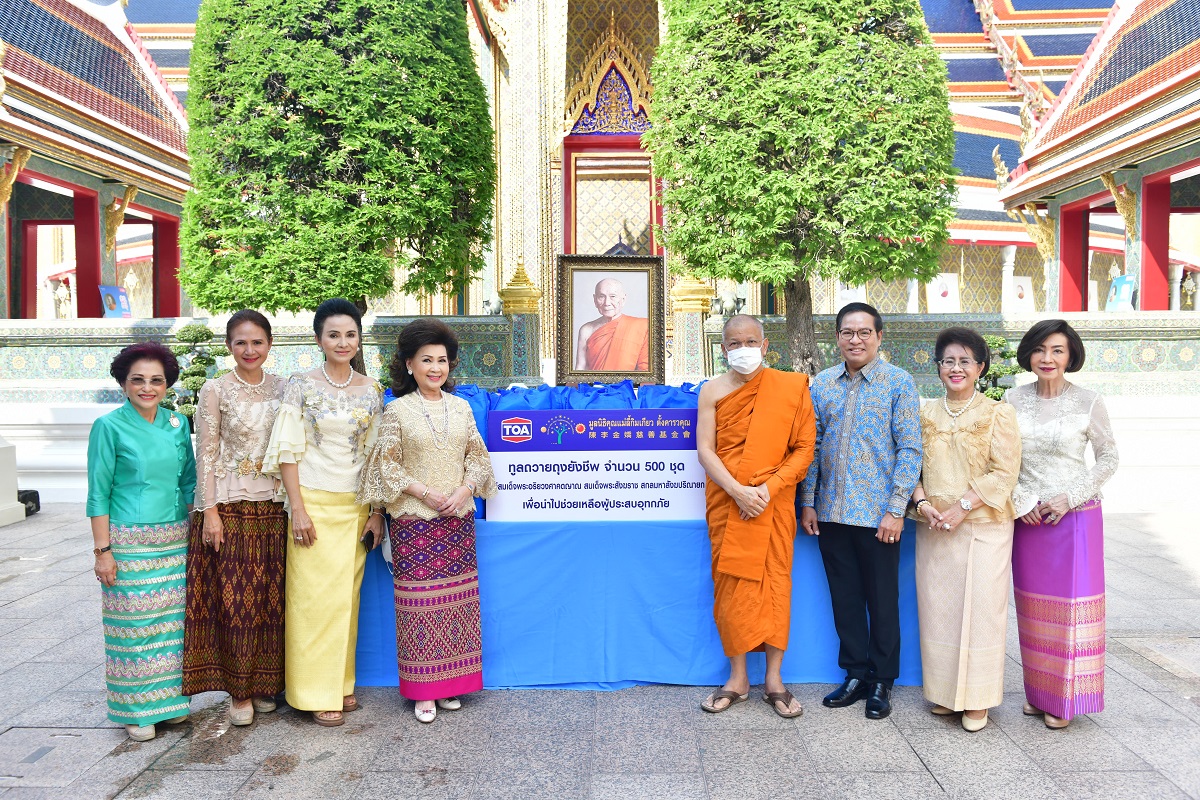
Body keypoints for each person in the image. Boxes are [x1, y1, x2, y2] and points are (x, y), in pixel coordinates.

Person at [359, 319, 497, 723]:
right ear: (409, 365)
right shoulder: (396, 410)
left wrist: (465, 489)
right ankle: (424, 691)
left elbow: (478, 456)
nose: (435, 367)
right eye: (426, 360)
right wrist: (425, 493)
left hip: (456, 518)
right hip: (414, 520)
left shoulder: (462, 407)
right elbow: (386, 466)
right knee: (419, 606)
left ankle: (451, 685)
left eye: (442, 360)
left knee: (457, 603)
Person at [262, 298, 385, 727]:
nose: (343, 341)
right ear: (319, 339)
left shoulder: (372, 390)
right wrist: (297, 508)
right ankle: (313, 691)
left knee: (345, 602)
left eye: (350, 334)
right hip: (312, 502)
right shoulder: (301, 385)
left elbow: (375, 456)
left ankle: (341, 683)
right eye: (334, 334)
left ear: (358, 339)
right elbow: (288, 451)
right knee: (312, 601)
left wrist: (376, 512)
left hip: (353, 506)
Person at [800, 302, 921, 720]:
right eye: (847, 332)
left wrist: (895, 509)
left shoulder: (898, 383)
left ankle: (883, 680)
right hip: (831, 514)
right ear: (837, 338)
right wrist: (808, 502)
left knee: (883, 600)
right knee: (845, 599)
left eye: (864, 332)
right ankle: (854, 673)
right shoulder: (822, 385)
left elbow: (910, 449)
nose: (856, 339)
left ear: (879, 336)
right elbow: (811, 447)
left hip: (878, 518)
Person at [695, 314, 815, 719]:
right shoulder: (711, 391)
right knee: (731, 586)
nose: (742, 349)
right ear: (723, 349)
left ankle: (775, 680)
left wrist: (766, 490)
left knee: (776, 584)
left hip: (772, 501)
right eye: (734, 343)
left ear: (765, 346)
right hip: (729, 502)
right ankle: (738, 677)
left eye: (751, 341)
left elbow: (803, 449)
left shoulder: (791, 387)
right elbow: (705, 451)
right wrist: (738, 492)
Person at [1005, 319, 1118, 730]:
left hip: (1076, 519)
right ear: (1028, 354)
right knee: (1034, 611)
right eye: (1039, 349)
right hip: (1029, 520)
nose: (1047, 358)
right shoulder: (1012, 399)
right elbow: (1002, 460)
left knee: (1072, 612)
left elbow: (1108, 458)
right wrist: (1021, 501)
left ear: (1071, 355)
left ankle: (1065, 700)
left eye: (1057, 350)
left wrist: (1069, 497)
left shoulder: (1089, 400)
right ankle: (1039, 694)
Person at [909, 328, 1021, 732]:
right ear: (938, 368)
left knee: (981, 610)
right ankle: (944, 693)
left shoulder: (997, 413)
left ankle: (977, 699)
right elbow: (909, 467)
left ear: (980, 368)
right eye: (948, 361)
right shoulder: (923, 413)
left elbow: (1005, 473)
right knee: (939, 609)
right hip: (933, 526)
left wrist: (961, 507)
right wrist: (922, 504)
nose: (956, 368)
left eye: (965, 361)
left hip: (982, 526)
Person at [87, 342, 196, 742]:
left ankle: (168, 704)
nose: (147, 388)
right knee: (133, 626)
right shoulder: (109, 427)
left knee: (171, 627)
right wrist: (103, 551)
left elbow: (188, 481)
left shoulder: (177, 423)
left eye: (156, 380)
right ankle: (135, 711)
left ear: (167, 385)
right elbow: (98, 492)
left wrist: (196, 530)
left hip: (174, 538)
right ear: (123, 383)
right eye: (138, 380)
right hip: (128, 541)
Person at [182, 310, 287, 727]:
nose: (249, 350)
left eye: (257, 342)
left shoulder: (284, 388)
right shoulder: (215, 389)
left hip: (275, 505)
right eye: (240, 342)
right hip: (229, 505)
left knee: (270, 597)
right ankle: (238, 691)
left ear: (269, 344)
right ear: (229, 346)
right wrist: (209, 511)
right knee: (234, 600)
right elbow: (205, 451)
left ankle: (265, 684)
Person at [574, 277, 650, 371]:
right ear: (595, 299)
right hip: (593, 385)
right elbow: (580, 368)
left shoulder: (642, 326)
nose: (607, 303)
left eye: (613, 296)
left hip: (628, 385)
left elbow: (645, 370)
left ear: (623, 299)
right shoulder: (586, 330)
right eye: (601, 296)